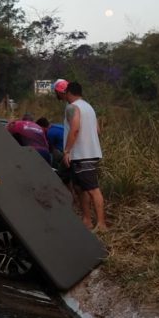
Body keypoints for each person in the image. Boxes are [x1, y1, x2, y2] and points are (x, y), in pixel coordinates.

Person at [62, 82, 107, 233]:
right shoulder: (88, 107)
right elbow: (98, 130)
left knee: (93, 189)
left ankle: (101, 224)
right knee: (80, 188)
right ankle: (86, 220)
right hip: (89, 153)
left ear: (68, 92)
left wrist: (67, 151)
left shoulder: (72, 108)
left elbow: (74, 129)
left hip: (83, 154)